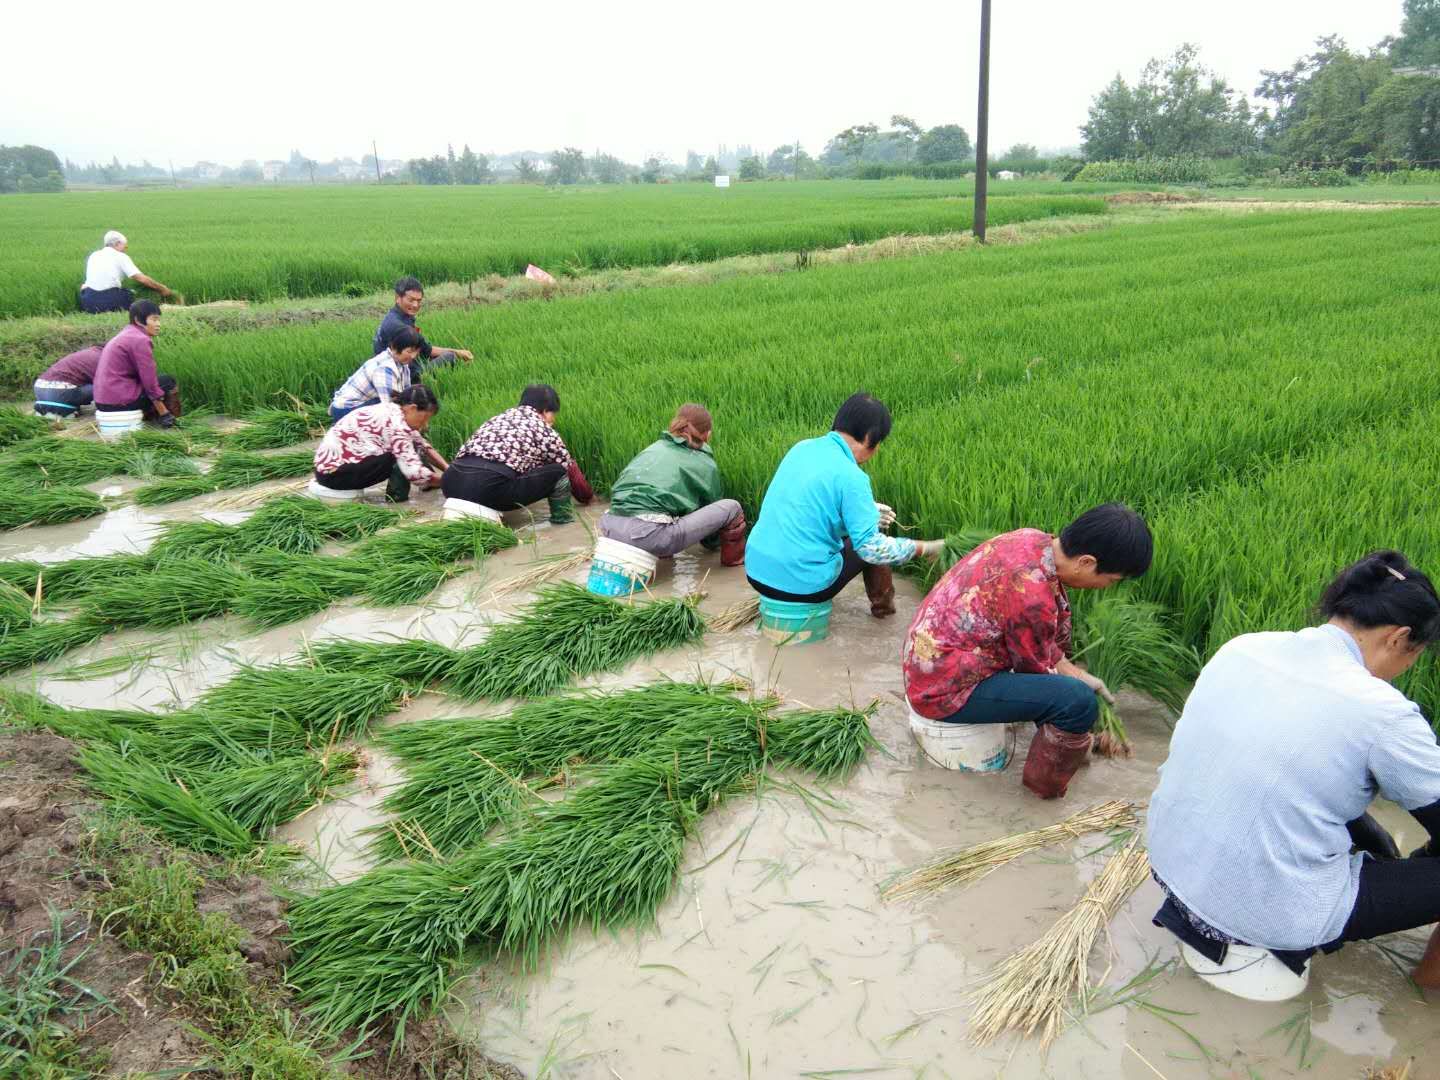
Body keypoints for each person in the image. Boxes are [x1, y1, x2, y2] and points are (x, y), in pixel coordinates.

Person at [1147, 550, 1440, 991]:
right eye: (1414, 655)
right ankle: (1421, 995)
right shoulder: (1384, 714)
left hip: (1173, 868)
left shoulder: (1244, 647)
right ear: (1399, 639)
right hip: (1266, 913)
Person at [902, 504, 1152, 799]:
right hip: (941, 690)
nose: (1105, 588)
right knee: (1078, 703)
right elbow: (1040, 675)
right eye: (1110, 580)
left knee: (1073, 690)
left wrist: (1078, 673)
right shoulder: (1033, 596)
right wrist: (1082, 733)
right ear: (1086, 562)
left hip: (927, 661)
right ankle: (1041, 795)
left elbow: (1038, 647)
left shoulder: (1030, 539)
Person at [745, 392, 944, 619]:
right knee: (875, 539)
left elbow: (807, 506)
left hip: (756, 571)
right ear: (870, 439)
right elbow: (872, 549)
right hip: (801, 587)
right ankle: (884, 614)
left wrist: (867, 510)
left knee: (861, 533)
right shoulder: (853, 477)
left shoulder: (802, 448)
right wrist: (925, 548)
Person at [598, 404, 747, 564]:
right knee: (732, 508)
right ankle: (734, 563)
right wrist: (712, 544)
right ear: (708, 435)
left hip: (609, 529)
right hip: (647, 536)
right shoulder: (703, 462)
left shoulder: (654, 448)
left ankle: (660, 555)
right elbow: (711, 511)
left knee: (662, 513)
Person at [441, 384, 593, 524]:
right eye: (553, 414)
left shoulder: (497, 419)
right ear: (546, 411)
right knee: (558, 472)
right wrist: (588, 498)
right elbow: (568, 468)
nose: (553, 420)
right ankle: (562, 522)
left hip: (451, 484)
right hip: (487, 491)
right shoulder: (544, 429)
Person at [313, 384, 448, 503]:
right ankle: (396, 501)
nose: (425, 425)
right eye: (424, 418)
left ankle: (430, 484)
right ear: (412, 408)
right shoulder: (397, 425)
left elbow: (422, 445)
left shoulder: (393, 410)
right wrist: (450, 482)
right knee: (398, 456)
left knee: (410, 447)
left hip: (327, 470)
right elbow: (414, 473)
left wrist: (449, 470)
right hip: (334, 475)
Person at [372, 277, 473, 383]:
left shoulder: (397, 316)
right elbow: (427, 350)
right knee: (450, 356)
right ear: (397, 298)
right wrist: (459, 353)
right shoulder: (399, 326)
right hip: (401, 374)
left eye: (419, 301)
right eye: (411, 300)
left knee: (435, 357)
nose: (415, 305)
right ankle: (423, 381)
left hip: (400, 365)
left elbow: (422, 349)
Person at [94, 301, 179, 426]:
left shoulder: (126, 334)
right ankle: (166, 418)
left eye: (158, 320)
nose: (158, 324)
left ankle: (149, 416)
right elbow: (149, 381)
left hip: (102, 402)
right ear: (138, 320)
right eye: (154, 319)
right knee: (168, 381)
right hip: (118, 403)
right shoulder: (140, 339)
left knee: (154, 383)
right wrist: (164, 413)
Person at [329, 327, 425, 422]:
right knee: (391, 404)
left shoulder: (402, 364)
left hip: (359, 405)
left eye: (416, 352)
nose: (413, 356)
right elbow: (390, 406)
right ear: (394, 347)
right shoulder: (385, 368)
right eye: (409, 351)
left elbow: (406, 393)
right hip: (345, 410)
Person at [79, 230, 172, 314]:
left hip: (88, 303)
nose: (125, 249)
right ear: (117, 243)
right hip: (108, 302)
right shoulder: (121, 256)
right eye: (125, 246)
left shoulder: (93, 255)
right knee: (131, 294)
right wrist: (162, 289)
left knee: (85, 288)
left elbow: (88, 283)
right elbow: (141, 279)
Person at [33, 345, 101, 417]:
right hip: (60, 391)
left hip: (39, 388)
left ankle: (65, 406)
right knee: (102, 386)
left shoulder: (89, 352)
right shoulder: (101, 358)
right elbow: (104, 384)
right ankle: (63, 409)